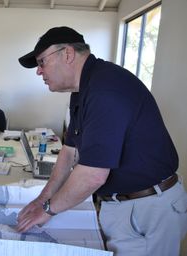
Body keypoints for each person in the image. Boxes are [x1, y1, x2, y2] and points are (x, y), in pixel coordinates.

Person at [16, 27, 187, 256]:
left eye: (42, 62)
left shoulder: (106, 88)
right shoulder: (82, 90)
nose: (39, 72)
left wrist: (47, 210)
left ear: (67, 54)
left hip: (148, 208)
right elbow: (69, 152)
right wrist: (43, 199)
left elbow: (93, 174)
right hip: (124, 204)